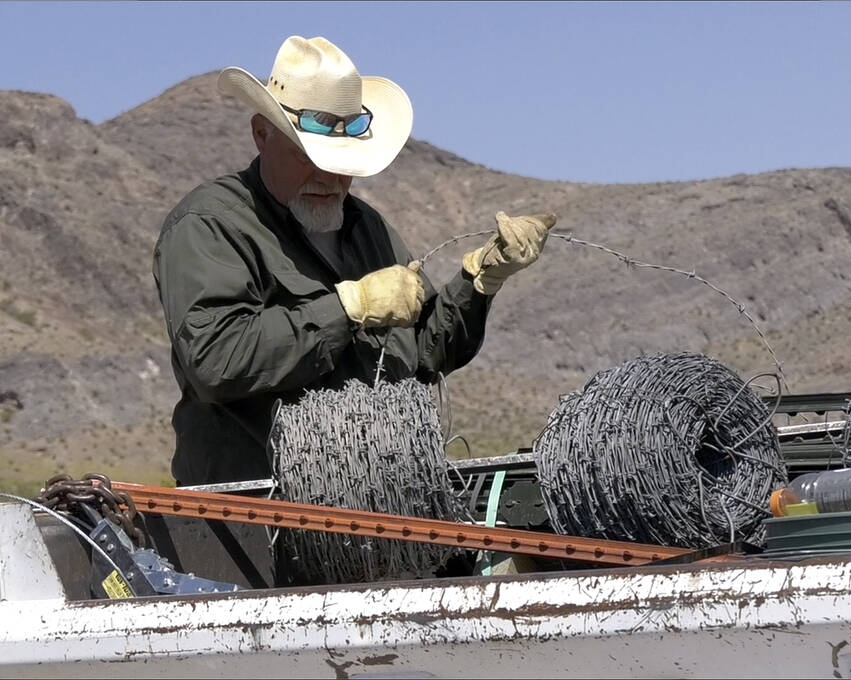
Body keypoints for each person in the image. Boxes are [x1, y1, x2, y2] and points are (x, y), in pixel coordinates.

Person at [153, 36, 554, 486]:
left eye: (344, 162)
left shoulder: (367, 228)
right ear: (262, 135)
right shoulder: (211, 225)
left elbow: (422, 354)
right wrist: (347, 307)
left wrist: (479, 282)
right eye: (310, 157)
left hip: (375, 495)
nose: (330, 176)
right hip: (258, 509)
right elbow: (215, 361)